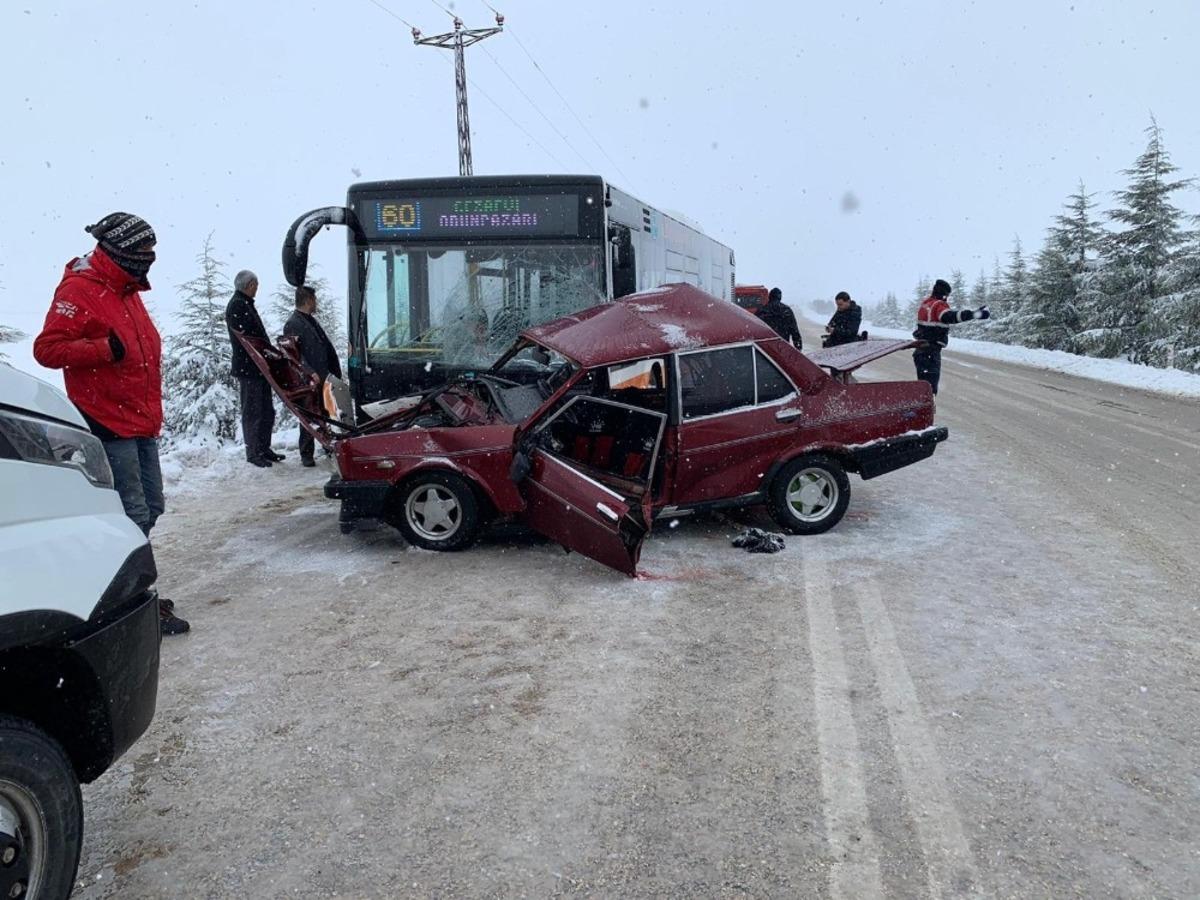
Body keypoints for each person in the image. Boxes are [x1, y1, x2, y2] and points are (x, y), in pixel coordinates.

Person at [33, 212, 189, 635]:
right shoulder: (79, 289)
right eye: (144, 251)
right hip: (107, 419)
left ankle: (123, 589)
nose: (150, 258)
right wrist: (105, 348)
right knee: (132, 513)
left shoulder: (126, 289)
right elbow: (47, 349)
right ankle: (129, 602)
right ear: (121, 250)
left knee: (151, 506)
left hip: (139, 419)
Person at [224, 270, 281, 467]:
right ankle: (254, 452)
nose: (257, 289)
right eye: (256, 285)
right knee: (253, 411)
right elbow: (249, 338)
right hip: (249, 368)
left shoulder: (244, 303)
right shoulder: (238, 305)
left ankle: (264, 448)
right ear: (249, 285)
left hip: (258, 366)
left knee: (266, 410)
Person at [283, 284, 342, 467]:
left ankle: (327, 444)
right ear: (308, 300)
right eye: (314, 299)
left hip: (323, 376)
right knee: (309, 415)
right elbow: (295, 355)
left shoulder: (310, 320)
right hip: (310, 380)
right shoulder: (293, 323)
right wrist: (310, 372)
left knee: (324, 412)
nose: (316, 303)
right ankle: (306, 453)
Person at [912, 278, 990, 394]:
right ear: (944, 294)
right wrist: (975, 314)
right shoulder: (938, 305)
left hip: (921, 351)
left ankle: (921, 403)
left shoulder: (926, 304)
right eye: (947, 295)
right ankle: (925, 404)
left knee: (923, 387)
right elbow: (951, 316)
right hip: (931, 352)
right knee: (930, 390)